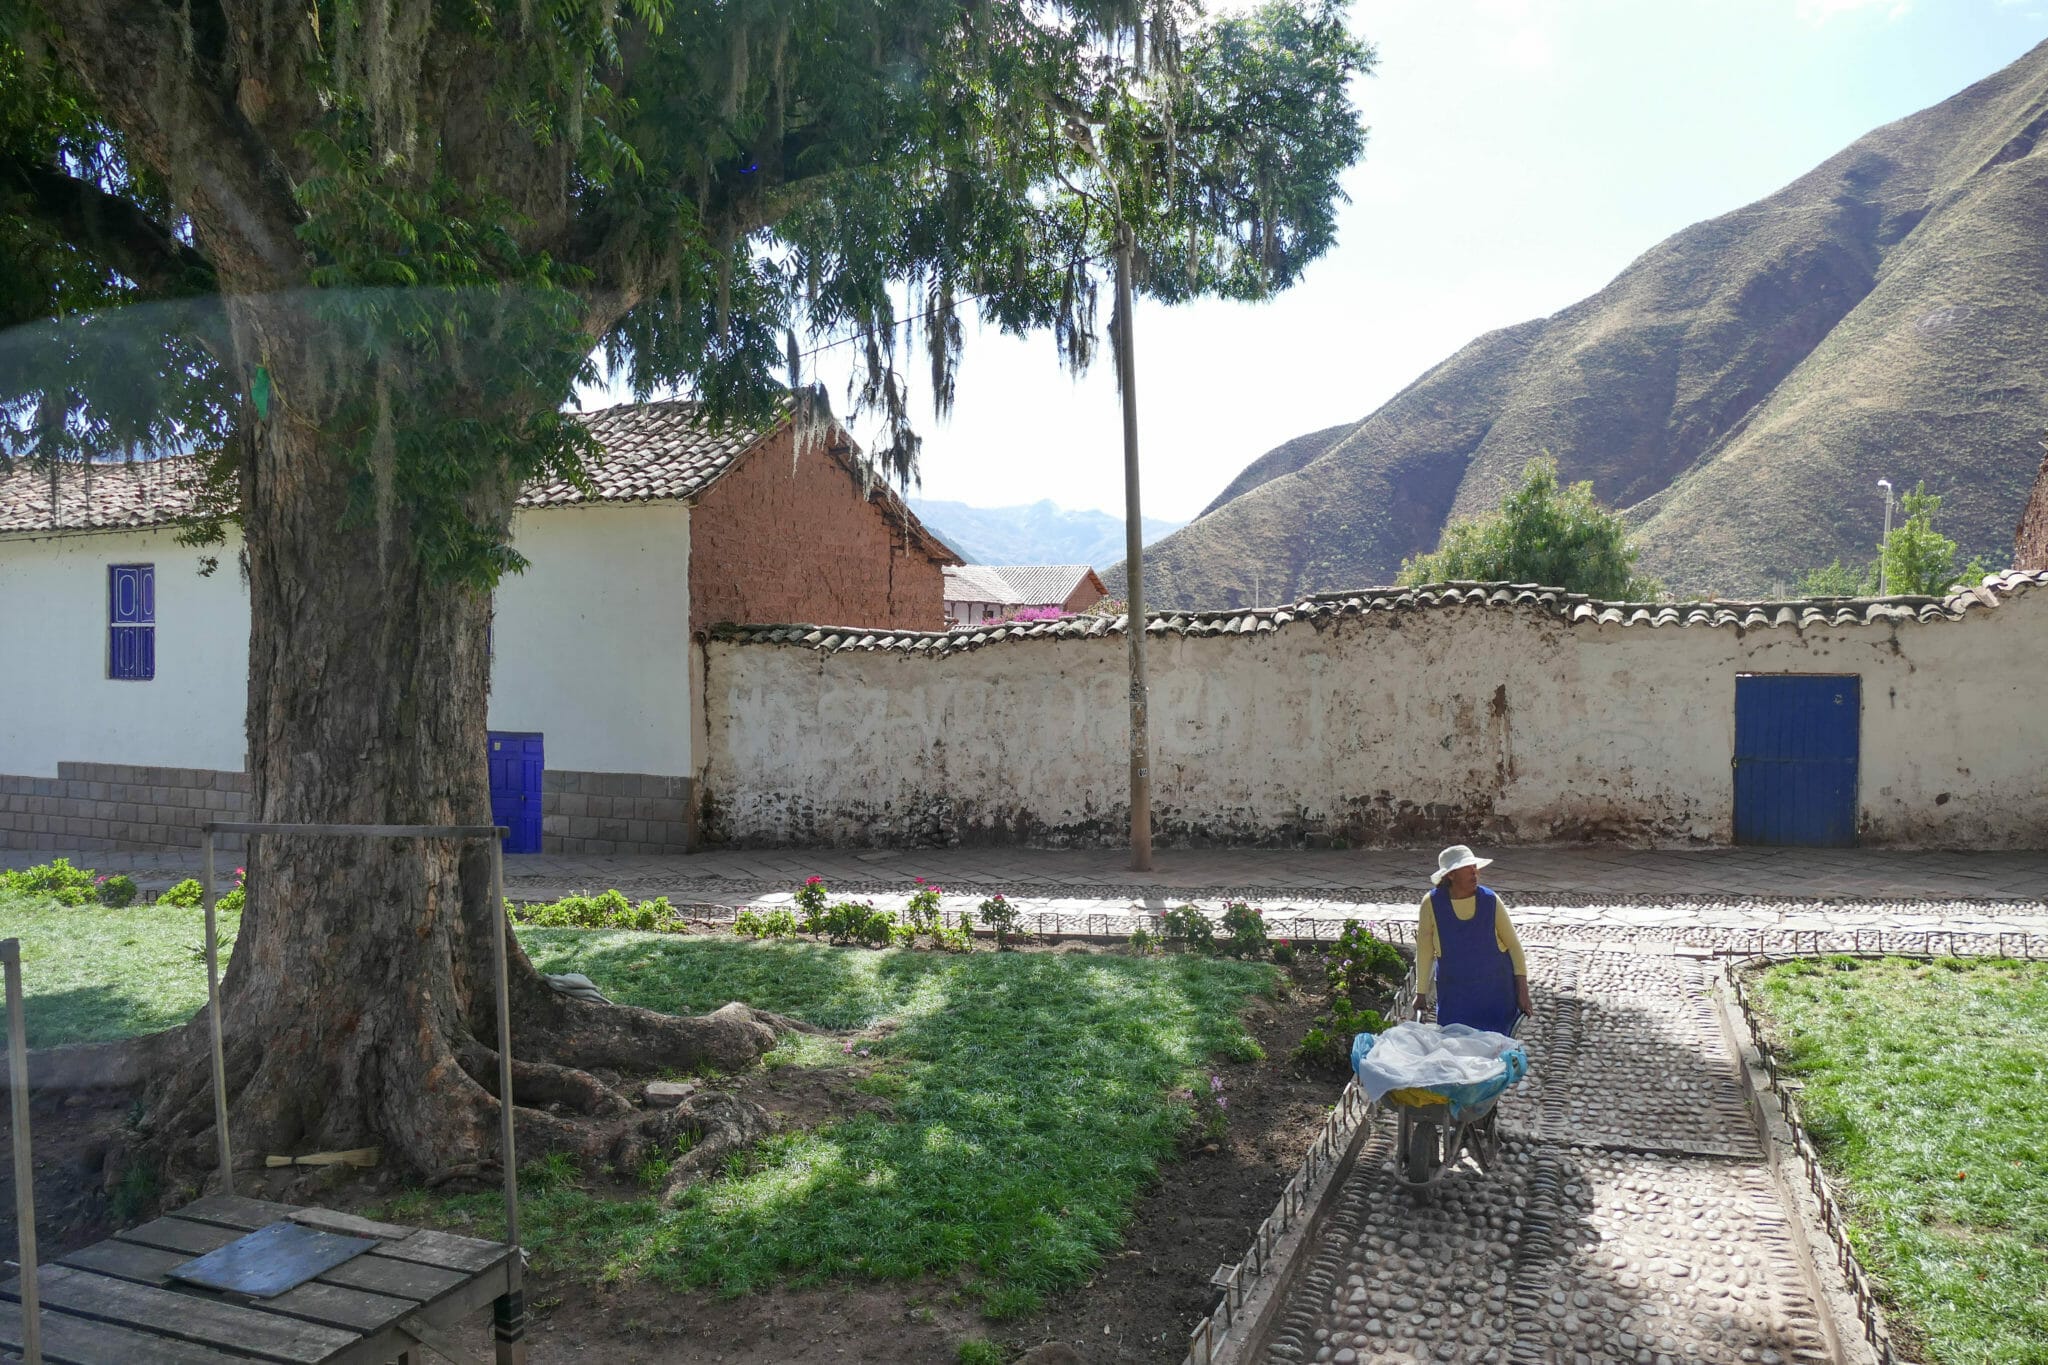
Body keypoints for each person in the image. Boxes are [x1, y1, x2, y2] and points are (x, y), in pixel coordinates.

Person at [1414, 844, 1532, 1035]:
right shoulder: (1431, 904)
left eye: (1475, 868)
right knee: (1456, 1050)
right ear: (1451, 875)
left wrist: (1523, 991)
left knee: (1494, 1054)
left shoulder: (1490, 901)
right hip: (1455, 998)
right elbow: (1425, 951)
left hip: (1495, 995)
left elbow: (1514, 946)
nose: (1474, 873)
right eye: (1467, 869)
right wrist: (1421, 993)